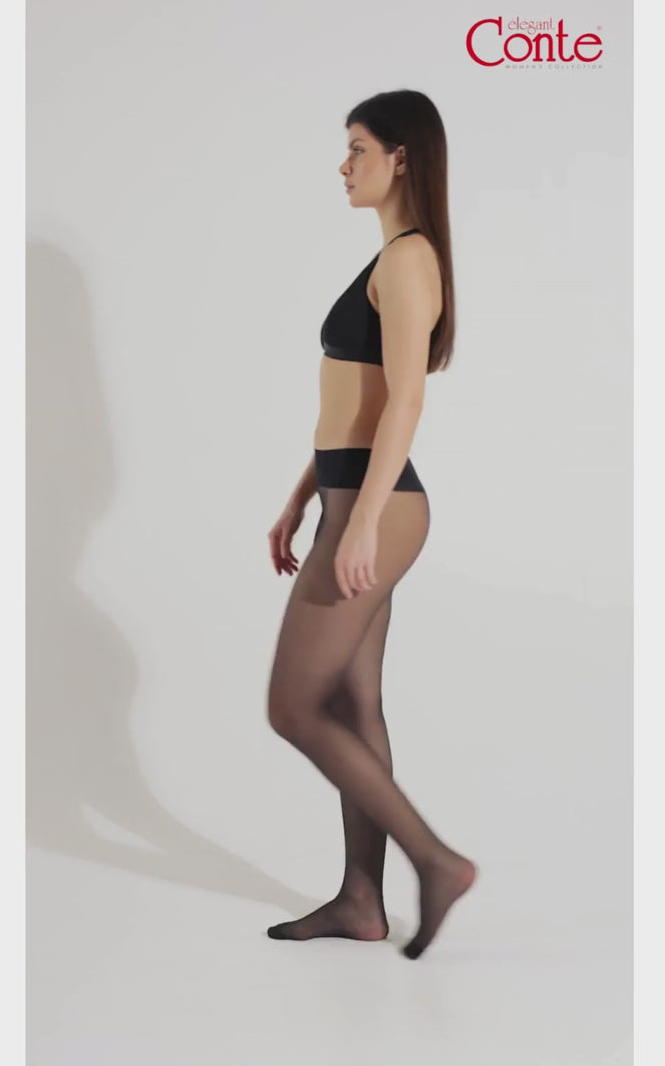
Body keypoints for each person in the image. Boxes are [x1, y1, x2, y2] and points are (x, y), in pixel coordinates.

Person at [265, 90, 478, 960]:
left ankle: (436, 861)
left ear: (401, 157)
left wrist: (360, 526)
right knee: (353, 703)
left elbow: (407, 403)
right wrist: (303, 498)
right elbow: (355, 408)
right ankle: (362, 901)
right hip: (353, 497)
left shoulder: (410, 259)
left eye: (358, 148)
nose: (344, 164)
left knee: (293, 707)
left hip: (378, 508)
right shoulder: (391, 258)